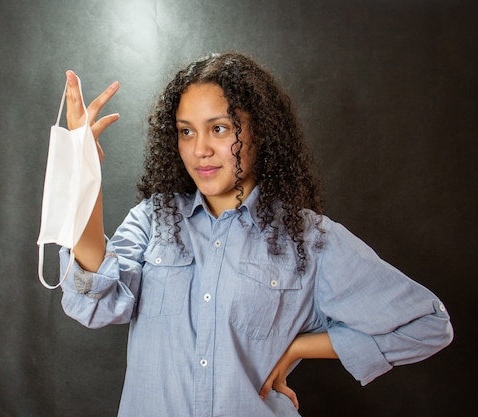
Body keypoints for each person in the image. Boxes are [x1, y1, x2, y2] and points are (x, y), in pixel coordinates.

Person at [57, 52, 453, 417]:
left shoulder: (309, 239)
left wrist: (299, 347)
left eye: (220, 128)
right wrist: (83, 177)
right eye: (187, 132)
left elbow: (428, 324)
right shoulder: (155, 219)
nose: (201, 150)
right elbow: (97, 300)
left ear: (259, 132)